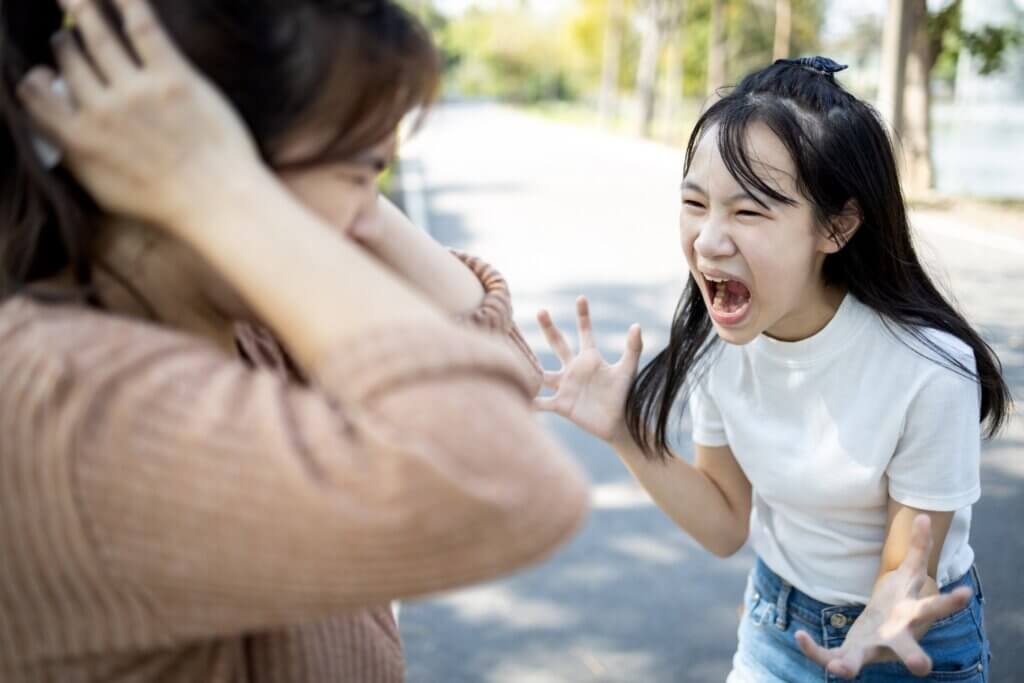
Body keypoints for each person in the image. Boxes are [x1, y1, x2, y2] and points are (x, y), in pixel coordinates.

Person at [0, 0, 589, 681]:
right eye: (360, 173)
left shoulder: (245, 328)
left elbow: (506, 382)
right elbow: (505, 477)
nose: (370, 218)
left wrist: (270, 183)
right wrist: (218, 187)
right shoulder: (63, 399)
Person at [536, 56, 1011, 682]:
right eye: (695, 203)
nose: (708, 240)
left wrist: (887, 617)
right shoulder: (719, 346)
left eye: (749, 211)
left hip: (911, 647)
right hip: (775, 626)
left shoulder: (928, 368)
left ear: (836, 226)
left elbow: (907, 568)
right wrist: (623, 432)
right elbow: (725, 522)